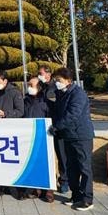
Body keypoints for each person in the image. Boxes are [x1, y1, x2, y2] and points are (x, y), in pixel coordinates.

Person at [52, 68, 95, 211]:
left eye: (59, 80)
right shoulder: (61, 93)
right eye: (55, 80)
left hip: (81, 136)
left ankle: (87, 199)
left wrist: (57, 126)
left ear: (68, 81)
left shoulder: (78, 94)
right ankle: (76, 196)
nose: (56, 83)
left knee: (84, 167)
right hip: (68, 136)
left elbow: (72, 115)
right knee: (71, 168)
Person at [0, 71, 24, 198]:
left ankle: (18, 189)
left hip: (12, 130)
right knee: (0, 160)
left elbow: (20, 111)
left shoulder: (14, 92)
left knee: (13, 161)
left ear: (5, 81)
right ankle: (1, 186)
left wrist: (5, 114)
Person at [22, 76, 54, 202]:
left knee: (46, 163)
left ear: (39, 87)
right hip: (29, 137)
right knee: (32, 162)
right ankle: (36, 189)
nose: (29, 87)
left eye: (32, 85)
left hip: (43, 137)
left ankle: (49, 191)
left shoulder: (45, 102)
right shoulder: (25, 101)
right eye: (28, 84)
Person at [38, 65, 68, 194]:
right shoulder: (42, 87)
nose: (39, 76)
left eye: (41, 73)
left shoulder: (55, 88)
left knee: (61, 155)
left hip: (56, 126)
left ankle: (64, 181)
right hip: (45, 126)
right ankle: (50, 180)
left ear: (48, 75)